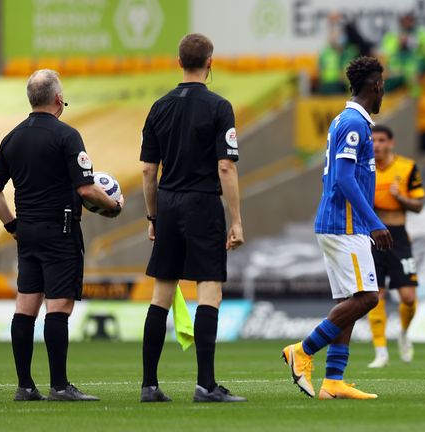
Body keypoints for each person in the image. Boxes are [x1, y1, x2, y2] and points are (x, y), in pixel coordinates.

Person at [0, 69, 123, 401]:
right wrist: (113, 205)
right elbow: (87, 189)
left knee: (25, 307)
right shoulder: (67, 136)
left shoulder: (12, 138)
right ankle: (59, 386)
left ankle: (25, 386)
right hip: (60, 231)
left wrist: (12, 226)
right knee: (58, 307)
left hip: (27, 233)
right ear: (58, 99)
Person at [139, 33, 246, 403]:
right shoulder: (220, 107)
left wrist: (153, 216)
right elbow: (225, 167)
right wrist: (236, 219)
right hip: (202, 203)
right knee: (209, 290)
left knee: (161, 295)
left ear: (178, 61)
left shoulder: (159, 107)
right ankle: (206, 385)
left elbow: (149, 171)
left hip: (168, 203)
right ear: (210, 62)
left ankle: (149, 385)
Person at [282, 56, 393, 400]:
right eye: (382, 84)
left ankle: (333, 381)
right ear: (375, 85)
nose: (383, 91)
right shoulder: (353, 123)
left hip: (342, 222)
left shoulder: (348, 121)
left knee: (351, 298)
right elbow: (344, 178)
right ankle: (303, 350)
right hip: (345, 224)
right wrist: (374, 223)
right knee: (367, 298)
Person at [366, 124, 425, 368]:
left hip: (399, 237)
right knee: (374, 296)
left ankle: (402, 333)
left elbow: (419, 205)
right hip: (372, 238)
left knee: (408, 297)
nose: (376, 145)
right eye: (373, 140)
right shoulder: (364, 168)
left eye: (381, 140)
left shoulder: (407, 167)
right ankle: (380, 351)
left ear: (390, 143)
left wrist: (399, 197)